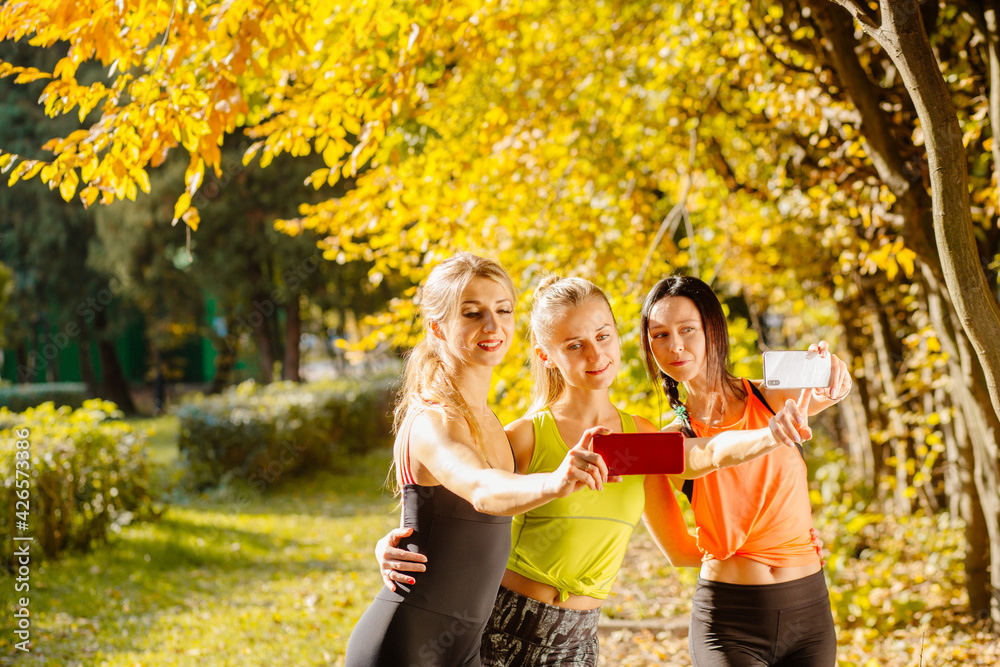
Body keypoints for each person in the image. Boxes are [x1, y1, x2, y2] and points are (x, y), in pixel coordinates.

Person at [374, 275, 814, 666]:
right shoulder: (525, 436)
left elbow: (708, 460)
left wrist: (770, 446)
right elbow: (467, 495)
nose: (595, 355)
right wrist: (393, 541)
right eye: (574, 345)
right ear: (546, 356)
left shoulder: (634, 441)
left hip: (580, 641)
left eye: (603, 336)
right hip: (500, 627)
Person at [344, 254, 611, 667]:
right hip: (405, 645)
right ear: (437, 327)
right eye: (472, 314)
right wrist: (556, 480)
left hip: (469, 649)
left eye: (503, 310)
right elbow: (482, 488)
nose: (493, 326)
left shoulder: (491, 421)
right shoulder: (432, 420)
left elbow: (460, 522)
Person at [639, 275, 852, 667]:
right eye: (660, 335)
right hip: (728, 624)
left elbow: (830, 390)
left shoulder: (770, 397)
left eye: (688, 329)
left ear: (713, 331)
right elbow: (714, 456)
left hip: (809, 614)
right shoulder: (669, 440)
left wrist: (833, 372)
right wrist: (736, 550)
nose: (675, 345)